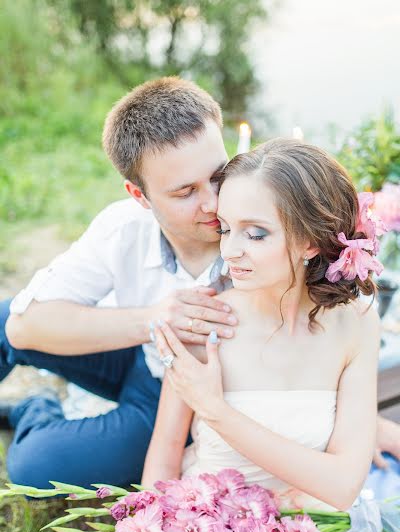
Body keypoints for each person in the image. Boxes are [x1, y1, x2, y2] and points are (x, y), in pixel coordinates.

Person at [0, 77, 398, 491]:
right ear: (140, 195)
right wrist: (153, 319)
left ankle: (34, 409)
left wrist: (361, 420)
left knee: (35, 465)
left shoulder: (263, 219)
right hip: (137, 352)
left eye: (216, 175)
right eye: (185, 192)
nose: (212, 203)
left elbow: (313, 345)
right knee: (7, 319)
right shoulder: (123, 227)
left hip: (173, 395)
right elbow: (23, 327)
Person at [143, 138, 382, 532]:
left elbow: (342, 485)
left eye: (255, 234)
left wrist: (216, 412)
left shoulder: (355, 325)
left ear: (310, 241)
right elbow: (165, 455)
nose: (231, 251)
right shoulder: (205, 320)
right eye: (225, 228)